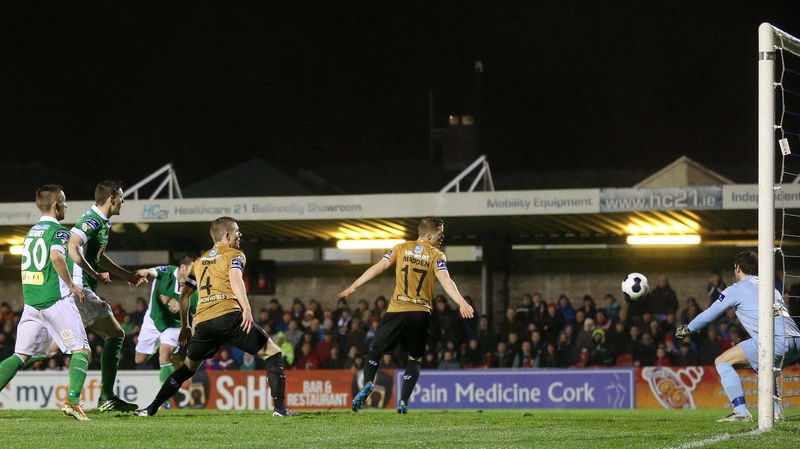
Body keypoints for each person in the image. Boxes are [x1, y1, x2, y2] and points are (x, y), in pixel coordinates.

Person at [135, 217, 299, 417]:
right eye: (237, 231)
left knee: (187, 369)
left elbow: (185, 294)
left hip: (204, 323)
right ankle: (280, 409)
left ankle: (150, 408)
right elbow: (235, 279)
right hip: (229, 317)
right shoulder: (234, 255)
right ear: (227, 235)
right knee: (273, 353)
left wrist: (186, 325)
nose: (240, 235)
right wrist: (246, 308)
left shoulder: (199, 262)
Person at [338, 216, 474, 414]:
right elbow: (445, 281)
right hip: (421, 313)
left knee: (375, 349)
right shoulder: (436, 255)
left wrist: (354, 285)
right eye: (439, 234)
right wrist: (461, 301)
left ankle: (368, 383)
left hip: (397, 310)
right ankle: (402, 401)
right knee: (415, 359)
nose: (441, 238)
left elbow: (380, 266)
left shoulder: (400, 248)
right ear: (429, 235)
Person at [0, 185, 91, 420]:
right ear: (56, 204)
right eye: (64, 201)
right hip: (55, 299)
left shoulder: (31, 232)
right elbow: (55, 256)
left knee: (21, 355)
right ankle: (73, 400)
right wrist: (71, 285)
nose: (66, 205)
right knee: (82, 349)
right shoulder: (58, 231)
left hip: (32, 302)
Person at [676, 251, 800, 422]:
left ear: (737, 267)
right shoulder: (770, 287)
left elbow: (710, 314)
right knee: (763, 367)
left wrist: (688, 328)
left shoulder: (736, 289)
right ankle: (775, 412)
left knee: (722, 361)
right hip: (796, 340)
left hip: (775, 339)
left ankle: (741, 411)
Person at [68, 180, 148, 412]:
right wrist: (94, 275)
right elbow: (73, 245)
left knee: (40, 349)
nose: (123, 201)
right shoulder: (92, 221)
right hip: (80, 289)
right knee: (115, 333)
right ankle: (106, 397)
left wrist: (127, 275)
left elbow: (97, 256)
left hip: (77, 289)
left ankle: (106, 396)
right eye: (121, 197)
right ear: (112, 198)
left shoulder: (102, 222)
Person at [132, 255, 199, 404]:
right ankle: (158, 345)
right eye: (192, 271)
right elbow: (150, 271)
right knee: (140, 359)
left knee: (164, 356)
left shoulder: (195, 290)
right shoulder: (167, 272)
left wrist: (195, 340)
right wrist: (138, 274)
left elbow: (196, 318)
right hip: (153, 320)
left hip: (175, 326)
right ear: (182, 268)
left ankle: (164, 400)